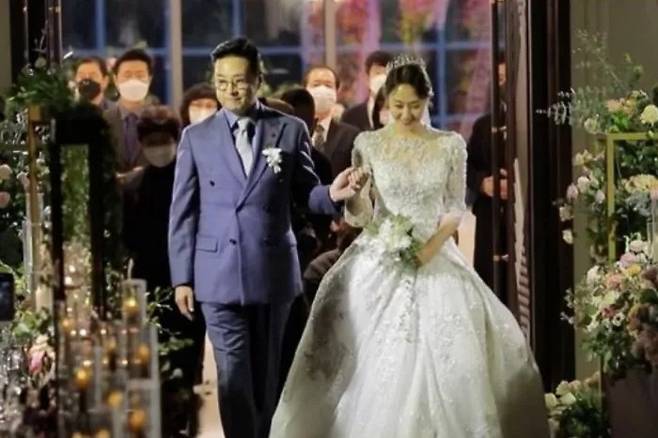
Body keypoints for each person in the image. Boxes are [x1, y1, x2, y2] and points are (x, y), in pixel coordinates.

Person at [270, 56, 549, 438]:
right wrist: (355, 194)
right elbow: (360, 216)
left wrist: (430, 248)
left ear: (427, 101)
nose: (405, 114)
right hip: (380, 254)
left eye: (414, 106)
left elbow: (455, 207)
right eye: (397, 106)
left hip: (435, 254)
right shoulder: (368, 144)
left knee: (453, 356)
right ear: (386, 101)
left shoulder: (449, 145)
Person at [167, 37, 363, 438]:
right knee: (233, 374)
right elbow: (183, 211)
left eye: (239, 81)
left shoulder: (288, 130)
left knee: (268, 377)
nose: (230, 90)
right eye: (222, 82)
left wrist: (333, 193)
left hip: (272, 270)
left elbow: (306, 193)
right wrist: (182, 277)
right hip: (217, 274)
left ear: (258, 80)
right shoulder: (196, 137)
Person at [122, 105, 205, 437]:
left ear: (176, 139)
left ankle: (182, 420)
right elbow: (128, 238)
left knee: (186, 358)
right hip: (148, 282)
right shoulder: (132, 186)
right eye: (151, 141)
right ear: (141, 143)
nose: (158, 148)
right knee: (151, 358)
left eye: (164, 140)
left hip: (187, 282)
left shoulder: (193, 180)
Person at [466, 59, 508, 296]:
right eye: (500, 79)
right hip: (489, 219)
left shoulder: (536, 123)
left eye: (508, 78)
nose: (504, 85)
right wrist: (483, 183)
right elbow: (467, 167)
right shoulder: (484, 126)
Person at [104, 48, 154, 176]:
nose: (133, 80)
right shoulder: (102, 121)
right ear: (116, 80)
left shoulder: (162, 121)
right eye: (127, 75)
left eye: (140, 75)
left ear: (149, 79)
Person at [303, 65, 359, 178]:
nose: (322, 90)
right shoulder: (294, 131)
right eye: (316, 85)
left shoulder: (351, 135)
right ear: (304, 90)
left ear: (336, 92)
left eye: (328, 85)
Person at [341, 50, 392, 132]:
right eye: (378, 73)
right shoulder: (350, 116)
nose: (383, 78)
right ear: (367, 79)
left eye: (387, 74)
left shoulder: (403, 114)